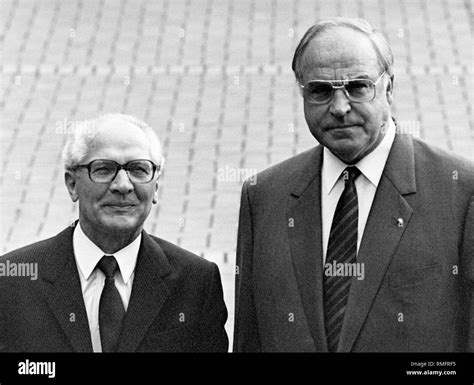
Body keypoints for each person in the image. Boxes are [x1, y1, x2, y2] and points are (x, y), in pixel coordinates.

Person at [233, 17, 473, 352]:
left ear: (389, 88)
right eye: (319, 91)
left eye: (358, 87)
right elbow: (249, 338)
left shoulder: (460, 191)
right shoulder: (264, 195)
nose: (340, 107)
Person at [0, 113, 228, 352]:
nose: (123, 185)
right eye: (103, 169)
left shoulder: (196, 283)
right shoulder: (12, 283)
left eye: (138, 169)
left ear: (156, 187)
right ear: (72, 184)